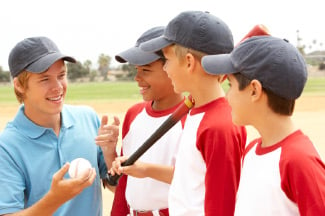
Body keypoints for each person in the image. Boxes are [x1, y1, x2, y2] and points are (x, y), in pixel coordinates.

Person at [201, 35, 325, 215]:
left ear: (254, 90)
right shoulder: (251, 150)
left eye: (231, 85)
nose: (227, 97)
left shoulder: (299, 160)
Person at [140, 11, 247, 215]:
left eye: (167, 61)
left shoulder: (219, 126)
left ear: (189, 62)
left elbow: (222, 207)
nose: (166, 69)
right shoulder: (197, 111)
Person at [0, 36, 119, 216]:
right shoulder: (6, 147)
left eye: (61, 75)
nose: (58, 87)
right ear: (19, 85)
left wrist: (110, 154)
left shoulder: (88, 118)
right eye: (44, 79)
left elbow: (115, 187)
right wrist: (55, 199)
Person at [110, 26, 185, 216]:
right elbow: (124, 181)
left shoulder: (191, 119)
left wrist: (147, 169)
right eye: (137, 69)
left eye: (146, 70)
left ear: (172, 66)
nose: (137, 78)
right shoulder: (134, 114)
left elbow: (197, 181)